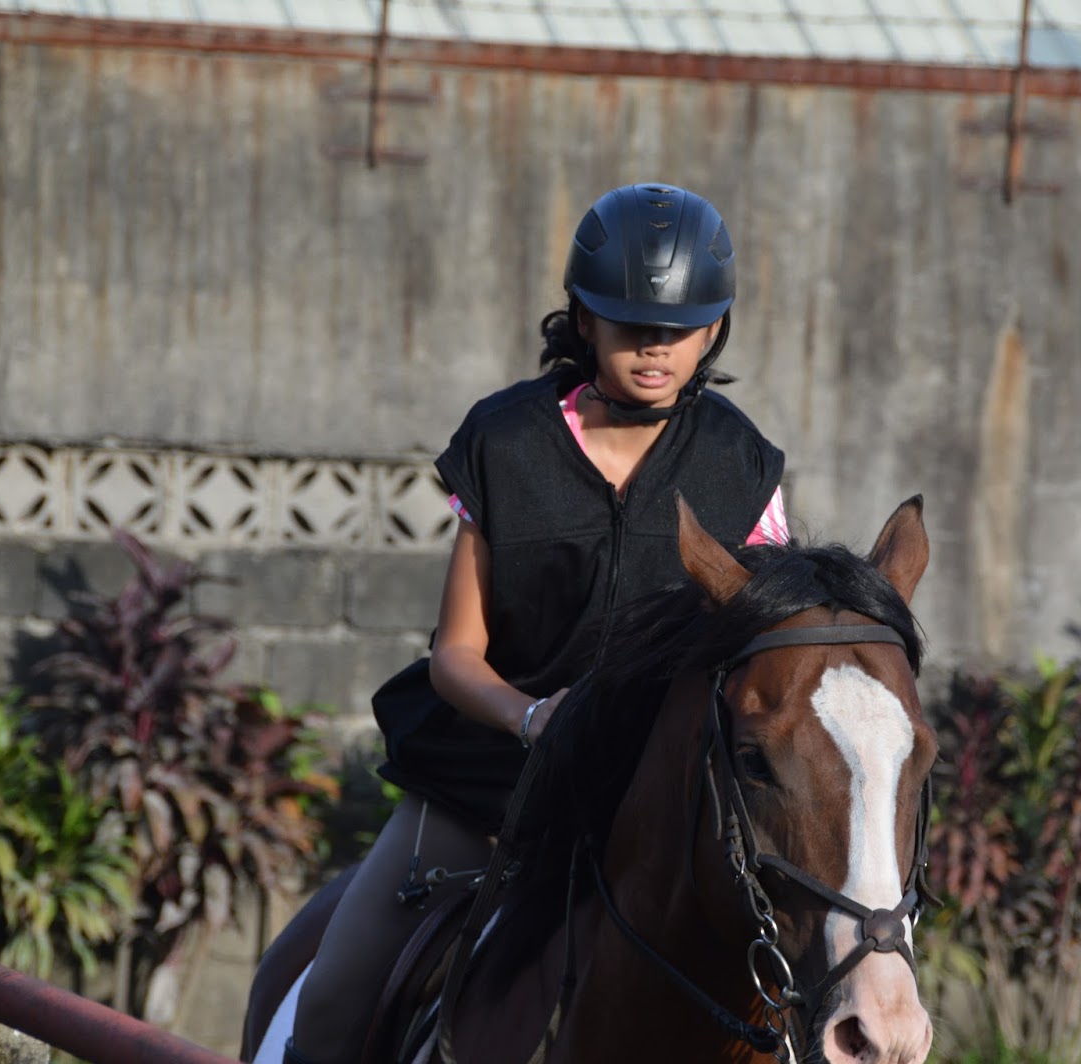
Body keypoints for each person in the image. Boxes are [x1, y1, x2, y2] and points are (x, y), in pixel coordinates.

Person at [285, 182, 788, 1064]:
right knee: (331, 998)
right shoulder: (504, 440)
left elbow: (766, 657)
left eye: (679, 327)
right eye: (628, 322)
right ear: (583, 319)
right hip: (490, 787)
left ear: (715, 330)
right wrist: (531, 717)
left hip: (659, 803)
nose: (654, 347)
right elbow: (455, 655)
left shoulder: (742, 465)